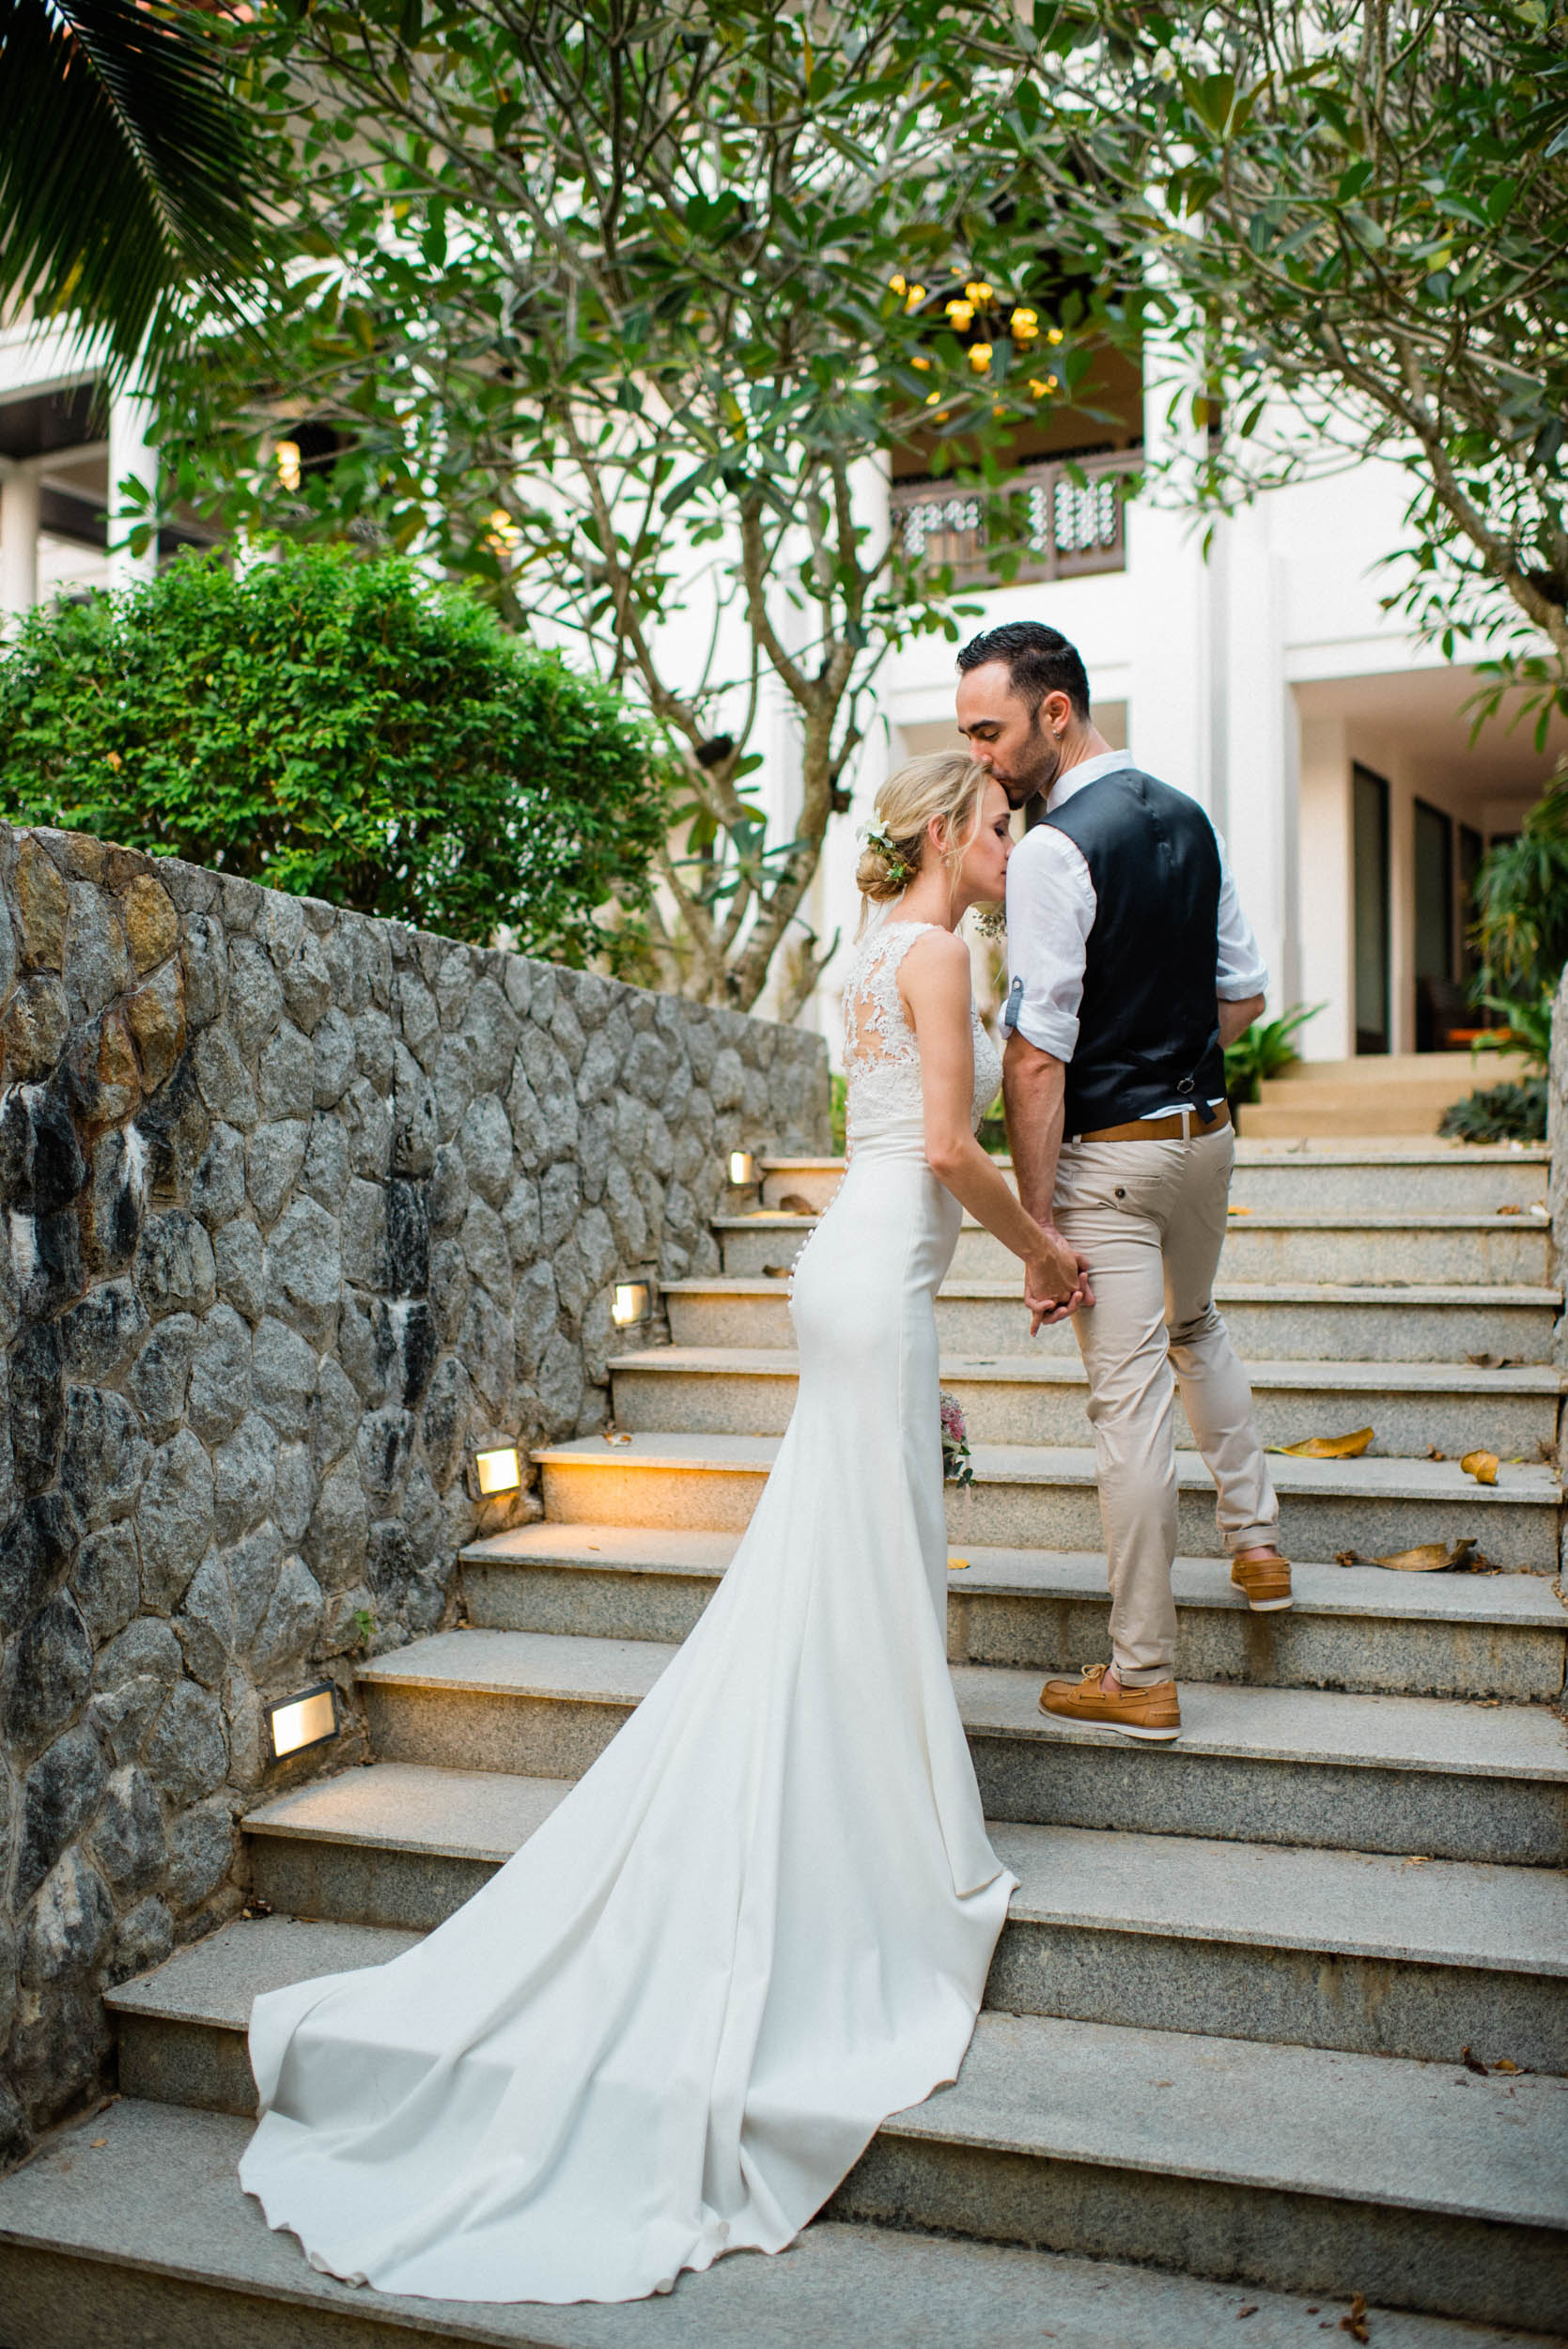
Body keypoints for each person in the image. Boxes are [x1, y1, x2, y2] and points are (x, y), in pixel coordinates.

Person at [239, 751, 1063, 2308]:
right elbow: (952, 1149)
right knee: (867, 1554)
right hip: (882, 1271)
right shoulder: (943, 952)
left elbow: (896, 1140)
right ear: (950, 831)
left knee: (850, 1552)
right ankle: (885, 1823)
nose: (1011, 844)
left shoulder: (866, 951)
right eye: (1000, 825)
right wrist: (1047, 1252)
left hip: (852, 1266)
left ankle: (871, 1783)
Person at [955, 619, 1290, 1747]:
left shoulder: (1054, 849)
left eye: (989, 731)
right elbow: (1244, 992)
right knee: (1198, 1325)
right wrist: (1172, 1054)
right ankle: (1256, 1540)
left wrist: (1037, 1232)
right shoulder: (1189, 816)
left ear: (1054, 712)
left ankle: (1141, 1671)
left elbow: (1034, 1056)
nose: (979, 758)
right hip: (1205, 1136)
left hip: (1112, 1153)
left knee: (1128, 1399)